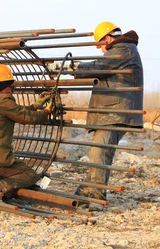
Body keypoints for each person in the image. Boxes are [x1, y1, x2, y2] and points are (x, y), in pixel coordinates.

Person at [50, 21, 143, 201]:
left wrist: (73, 66)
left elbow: (99, 66)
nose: (100, 49)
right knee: (98, 153)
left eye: (100, 45)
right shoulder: (124, 49)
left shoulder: (124, 50)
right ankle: (88, 190)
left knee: (100, 153)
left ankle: (96, 195)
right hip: (111, 112)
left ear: (108, 38)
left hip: (116, 113)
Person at [0, 64, 54, 201]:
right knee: (29, 174)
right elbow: (26, 117)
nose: (12, 91)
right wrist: (47, 111)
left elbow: (15, 111)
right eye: (12, 88)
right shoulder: (4, 99)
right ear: (6, 87)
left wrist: (36, 106)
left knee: (17, 171)